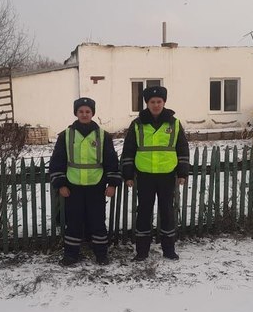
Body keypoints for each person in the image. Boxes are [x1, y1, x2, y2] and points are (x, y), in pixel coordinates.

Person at [49, 97, 121, 266]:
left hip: (96, 185)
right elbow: (57, 161)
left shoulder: (103, 136)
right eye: (81, 111)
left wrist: (112, 184)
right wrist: (61, 184)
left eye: (88, 111)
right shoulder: (66, 135)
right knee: (73, 221)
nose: (84, 114)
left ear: (92, 113)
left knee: (97, 220)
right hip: (73, 186)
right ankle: (71, 255)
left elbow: (111, 161)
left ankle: (101, 254)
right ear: (76, 113)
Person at [121, 86, 189, 261]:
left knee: (167, 212)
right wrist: (128, 175)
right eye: (152, 102)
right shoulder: (137, 124)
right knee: (143, 213)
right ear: (147, 104)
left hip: (167, 176)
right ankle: (142, 251)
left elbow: (182, 149)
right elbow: (129, 150)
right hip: (145, 176)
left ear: (164, 102)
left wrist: (182, 173)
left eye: (159, 101)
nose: (156, 105)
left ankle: (169, 250)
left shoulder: (174, 123)